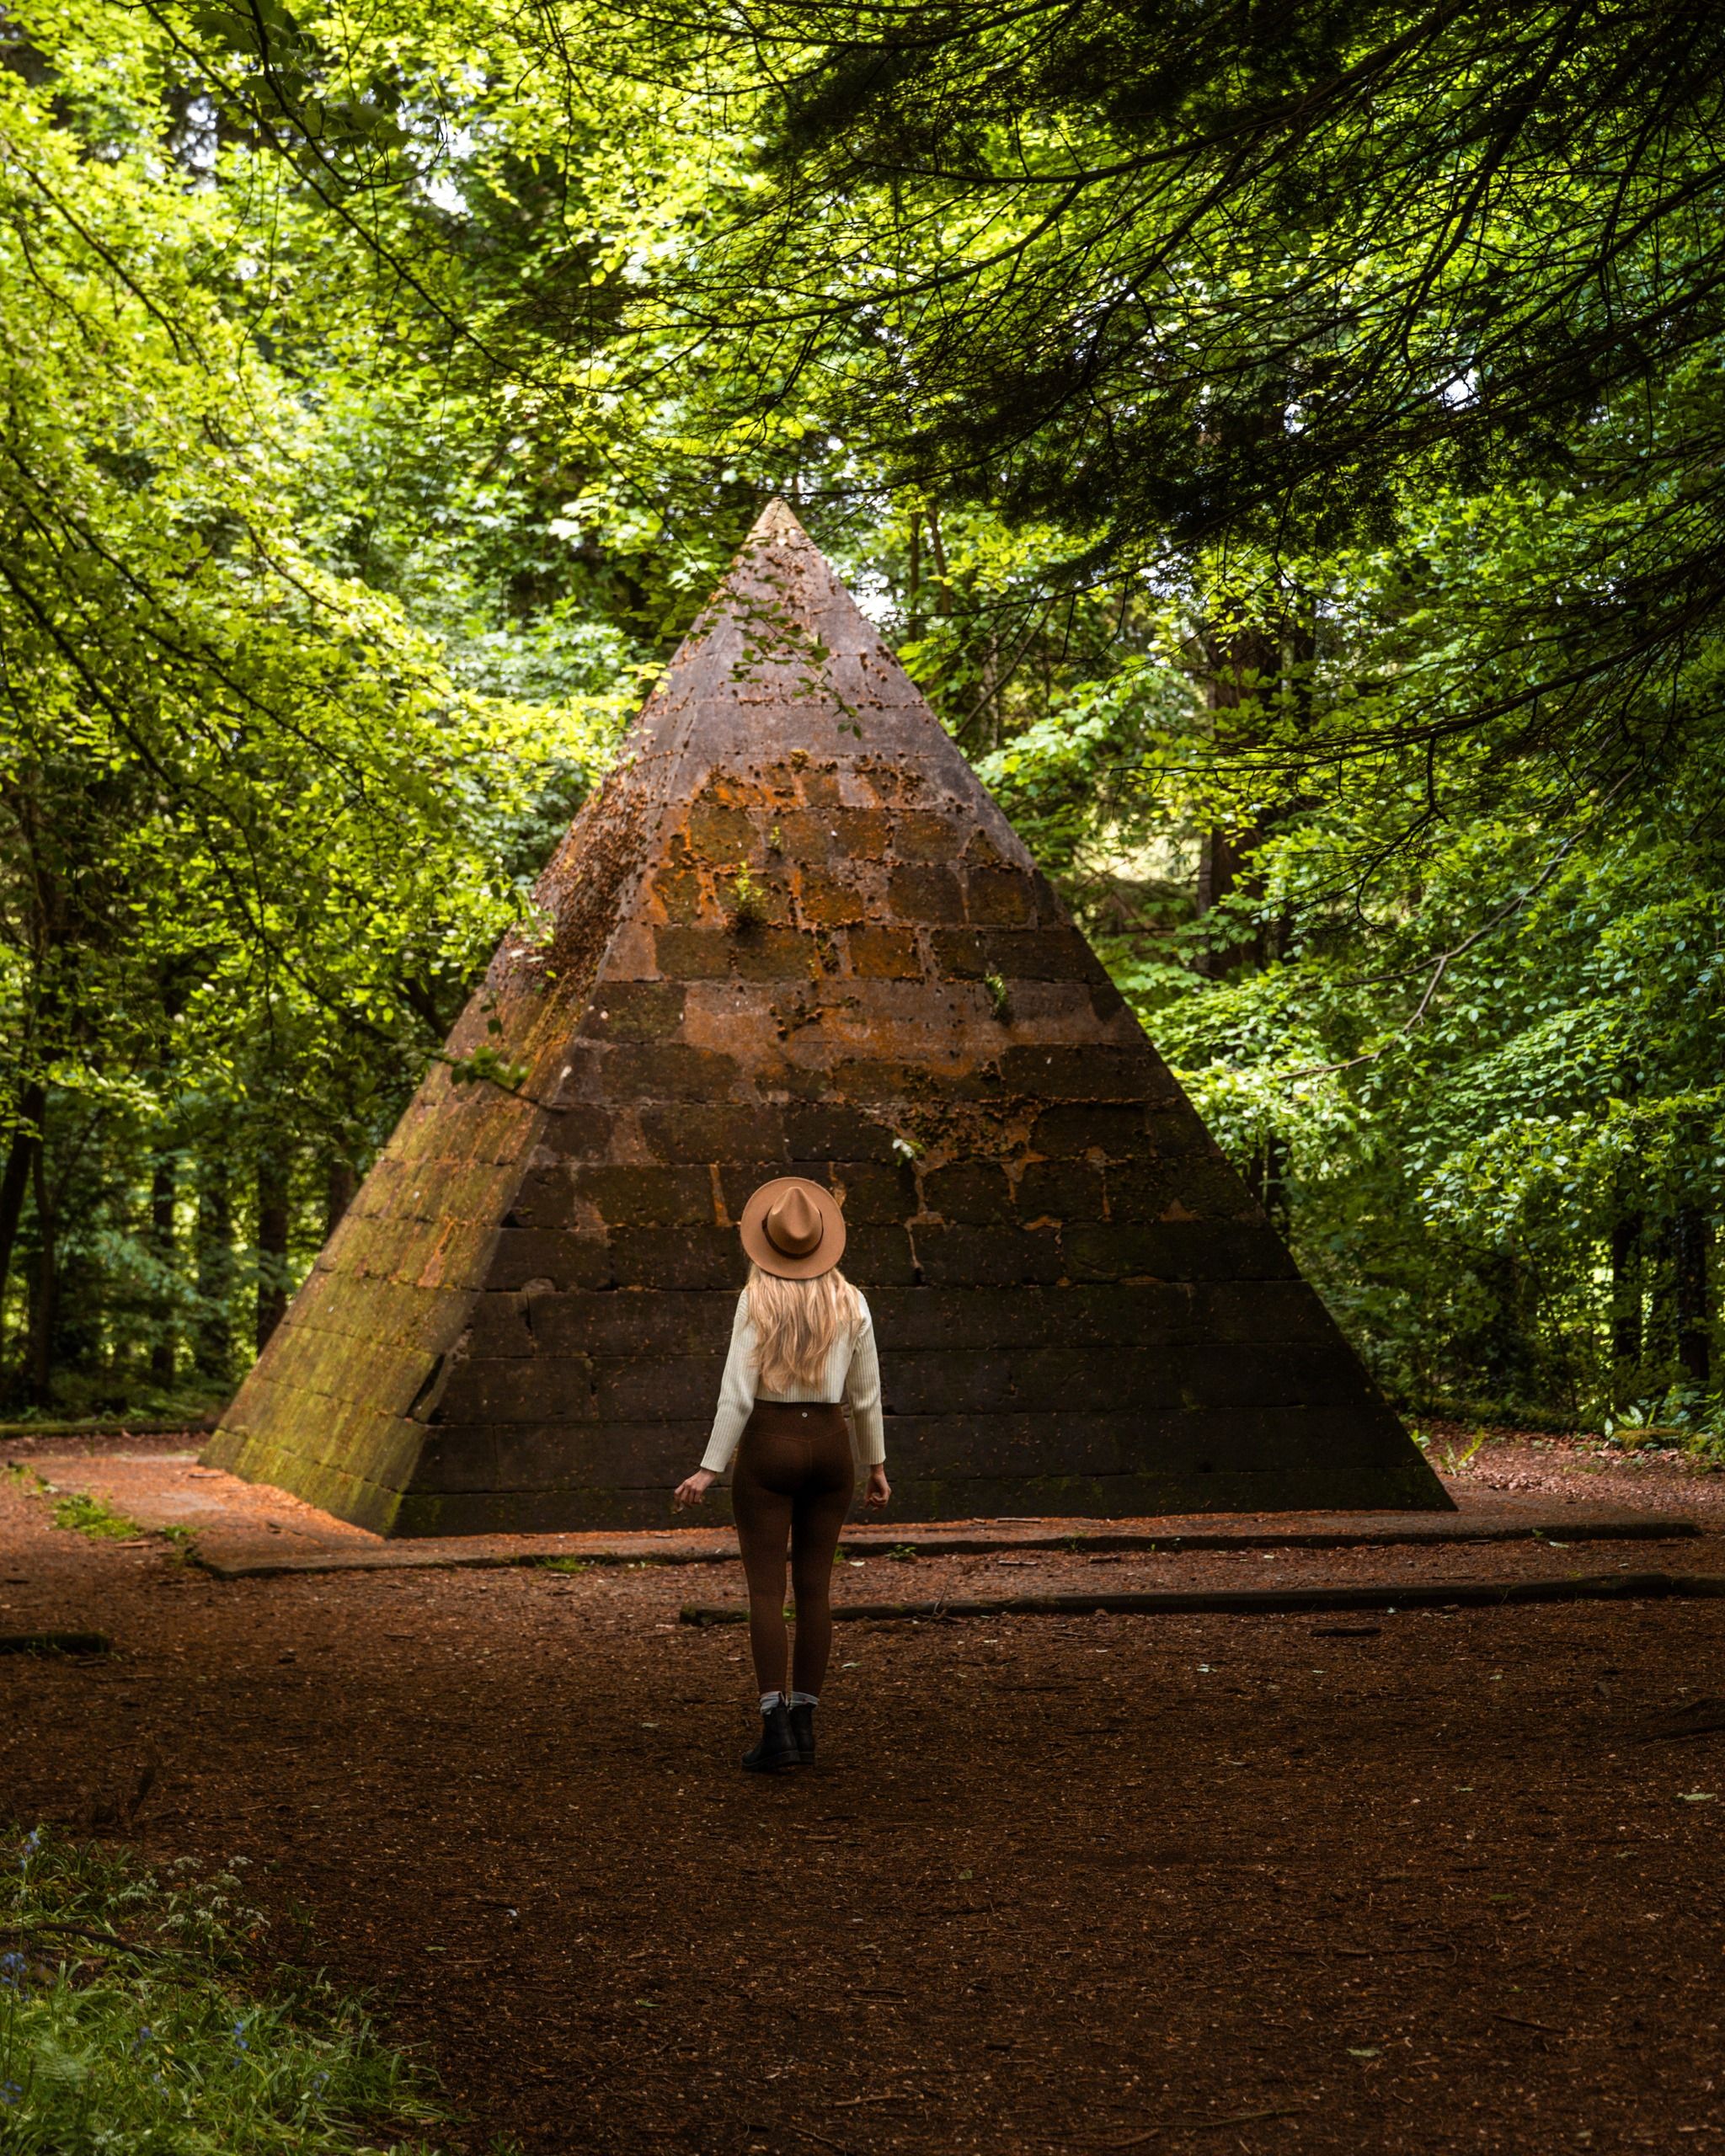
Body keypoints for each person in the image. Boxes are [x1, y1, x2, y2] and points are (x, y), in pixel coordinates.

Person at [674, 1176, 889, 1772]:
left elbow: (736, 1397)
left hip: (769, 1445)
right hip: (830, 1447)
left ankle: (775, 1730)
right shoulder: (852, 1302)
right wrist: (876, 1465)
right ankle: (807, 1724)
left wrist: (709, 1468)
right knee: (816, 1589)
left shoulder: (756, 1301)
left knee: (767, 1590)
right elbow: (866, 1396)